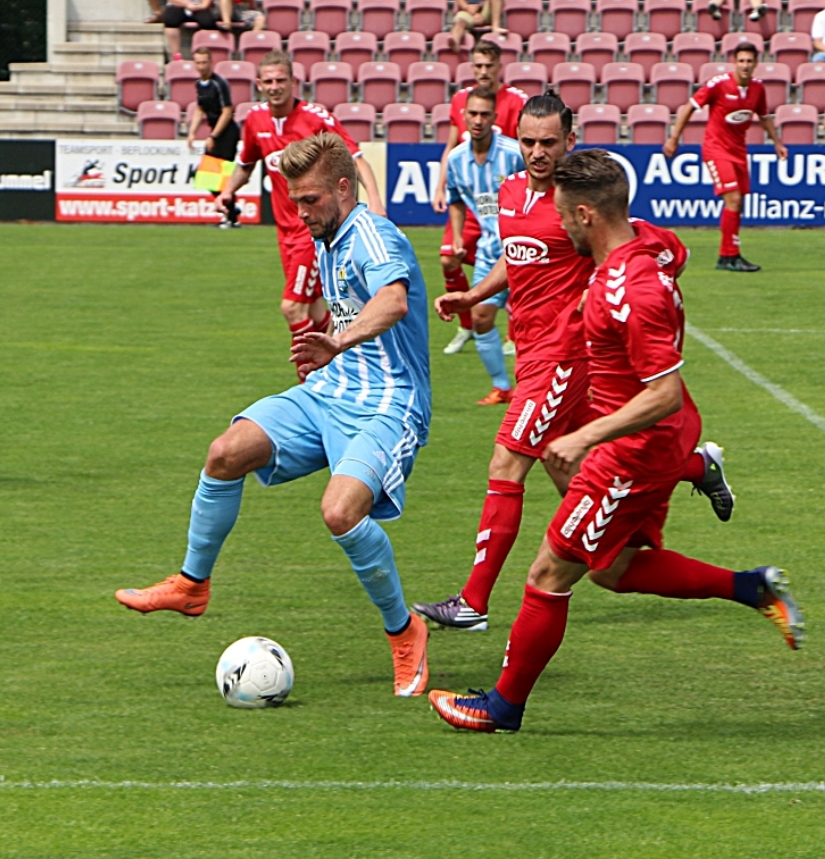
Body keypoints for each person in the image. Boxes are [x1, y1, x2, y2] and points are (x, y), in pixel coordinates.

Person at [427, 149, 805, 734]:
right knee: (612, 568)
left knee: (549, 573)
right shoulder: (653, 247)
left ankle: (502, 707)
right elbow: (672, 256)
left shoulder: (629, 291)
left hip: (631, 452)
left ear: (584, 216)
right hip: (660, 442)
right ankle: (750, 586)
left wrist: (583, 437)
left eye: (561, 215)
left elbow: (664, 393)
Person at [116, 133, 432, 699]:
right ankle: (192, 584)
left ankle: (404, 630)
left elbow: (393, 301)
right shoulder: (327, 236)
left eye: (309, 200)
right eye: (293, 201)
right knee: (225, 452)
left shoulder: (371, 234)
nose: (299, 212)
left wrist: (336, 341)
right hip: (331, 391)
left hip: (388, 402)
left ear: (342, 187)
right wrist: (321, 349)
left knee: (339, 513)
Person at [414, 96, 737, 634]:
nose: (537, 153)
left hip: (564, 359)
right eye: (528, 142)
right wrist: (474, 296)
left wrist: (609, 290)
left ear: (570, 139)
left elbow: (661, 250)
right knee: (583, 500)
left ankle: (473, 601)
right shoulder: (511, 191)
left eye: (548, 142)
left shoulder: (582, 201)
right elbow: (514, 256)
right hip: (530, 350)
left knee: (506, 463)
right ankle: (696, 469)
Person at [213, 51, 382, 343]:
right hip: (285, 233)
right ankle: (343, 356)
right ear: (259, 84)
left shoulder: (314, 118)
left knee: (291, 307)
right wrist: (228, 190)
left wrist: (376, 202)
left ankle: (310, 383)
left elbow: (356, 158)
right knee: (316, 309)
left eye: (281, 80)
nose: (275, 86)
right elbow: (246, 164)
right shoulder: (255, 119)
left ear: (293, 81)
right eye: (269, 81)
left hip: (314, 230)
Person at [434, 39, 528, 355]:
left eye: (489, 65)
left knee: (518, 259)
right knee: (449, 256)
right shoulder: (461, 98)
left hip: (504, 201)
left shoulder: (516, 100)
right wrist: (440, 183)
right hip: (473, 200)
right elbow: (451, 145)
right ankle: (466, 326)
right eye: (478, 66)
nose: (483, 71)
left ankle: (514, 336)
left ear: (500, 66)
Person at [662, 43, 788, 273]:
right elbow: (689, 107)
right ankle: (731, 256)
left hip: (739, 150)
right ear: (734, 63)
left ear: (756, 64)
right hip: (716, 149)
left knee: (738, 205)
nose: (745, 66)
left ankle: (726, 256)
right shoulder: (718, 85)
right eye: (741, 61)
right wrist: (674, 138)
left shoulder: (758, 89)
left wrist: (777, 143)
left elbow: (764, 116)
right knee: (734, 200)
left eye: (749, 61)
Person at [443, 85, 524, 405]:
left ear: (495, 117)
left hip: (525, 251)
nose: (477, 120)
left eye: (484, 114)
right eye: (472, 113)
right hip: (490, 252)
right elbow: (457, 202)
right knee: (481, 318)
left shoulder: (514, 153)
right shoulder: (456, 160)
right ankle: (502, 387)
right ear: (463, 116)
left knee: (533, 322)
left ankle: (534, 387)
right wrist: (460, 237)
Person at [185, 46, 242, 228]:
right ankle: (231, 211)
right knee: (207, 177)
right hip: (216, 133)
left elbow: (227, 112)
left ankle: (229, 215)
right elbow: (200, 108)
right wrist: (192, 132)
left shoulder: (219, 83)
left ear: (210, 63)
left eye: (204, 62)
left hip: (227, 133)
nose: (201, 66)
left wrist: (214, 136)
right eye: (198, 63)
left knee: (221, 177)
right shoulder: (199, 84)